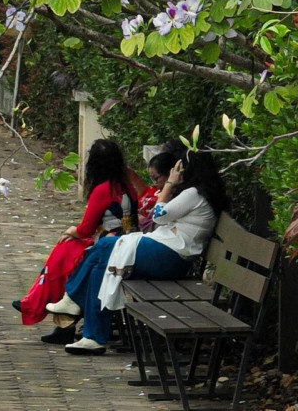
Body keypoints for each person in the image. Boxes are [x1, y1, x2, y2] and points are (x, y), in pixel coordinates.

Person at [47, 148, 228, 355]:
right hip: (170, 254)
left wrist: (169, 184)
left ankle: (76, 305)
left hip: (169, 255)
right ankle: (91, 335)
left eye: (178, 168)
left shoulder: (193, 194)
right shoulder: (201, 193)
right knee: (102, 265)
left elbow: (158, 215)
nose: (175, 172)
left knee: (105, 247)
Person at [14, 138, 137, 342]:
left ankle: (46, 306)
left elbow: (86, 229)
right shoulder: (126, 186)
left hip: (110, 246)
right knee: (67, 253)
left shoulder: (103, 190)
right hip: (124, 242)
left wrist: (70, 230)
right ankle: (53, 313)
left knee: (67, 254)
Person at [138, 151, 176, 232]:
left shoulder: (176, 196)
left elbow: (157, 224)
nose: (154, 183)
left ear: (170, 173)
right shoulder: (165, 192)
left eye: (156, 178)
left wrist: (141, 219)